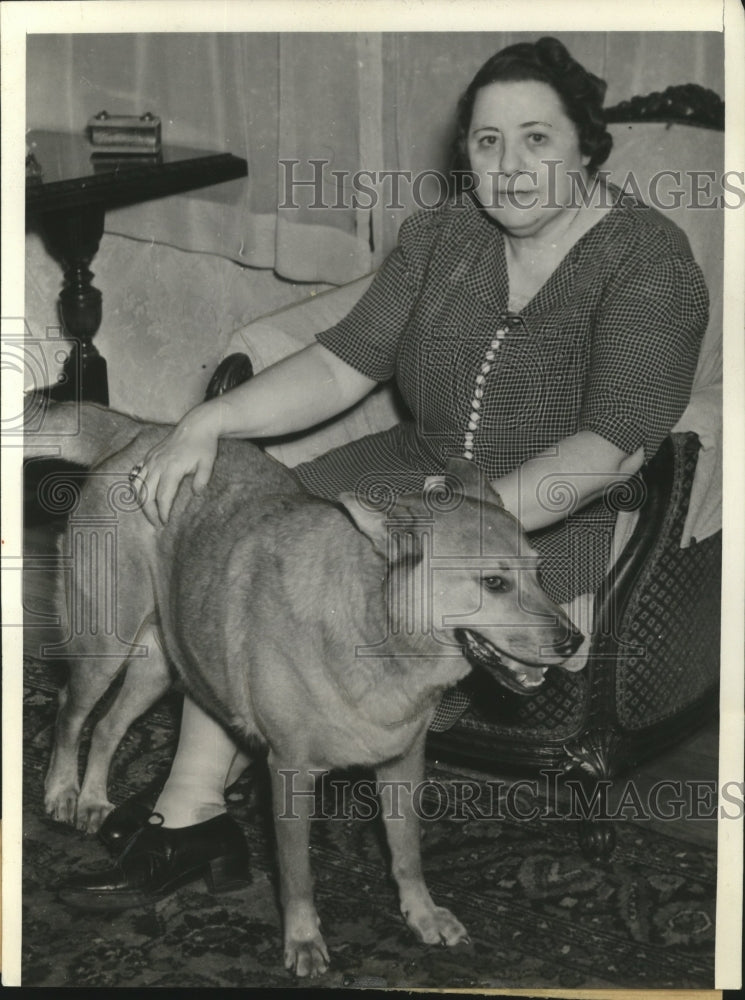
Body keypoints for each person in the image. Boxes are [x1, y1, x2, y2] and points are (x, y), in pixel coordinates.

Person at [58, 36, 708, 908]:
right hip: (414, 469)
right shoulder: (442, 236)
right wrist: (207, 421)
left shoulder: (648, 262)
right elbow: (340, 365)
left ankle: (251, 800)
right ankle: (198, 805)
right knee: (254, 556)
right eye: (486, 142)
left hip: (547, 517)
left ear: (587, 147)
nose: (508, 167)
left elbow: (608, 450)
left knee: (341, 588)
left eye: (536, 140)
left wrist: (448, 535)